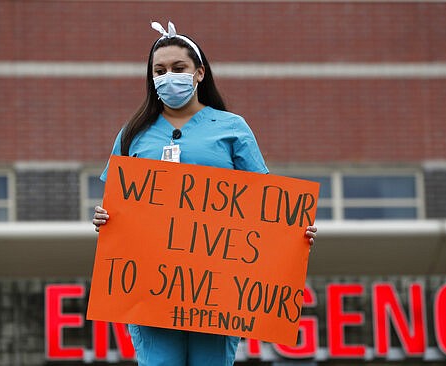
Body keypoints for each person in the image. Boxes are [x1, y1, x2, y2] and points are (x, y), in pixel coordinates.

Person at [92, 20, 317, 366]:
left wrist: (292, 232)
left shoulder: (231, 127)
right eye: (160, 70)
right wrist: (105, 218)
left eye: (178, 68)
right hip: (152, 288)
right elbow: (118, 205)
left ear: (199, 73)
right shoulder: (133, 133)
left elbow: (265, 203)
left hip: (216, 292)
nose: (169, 76)